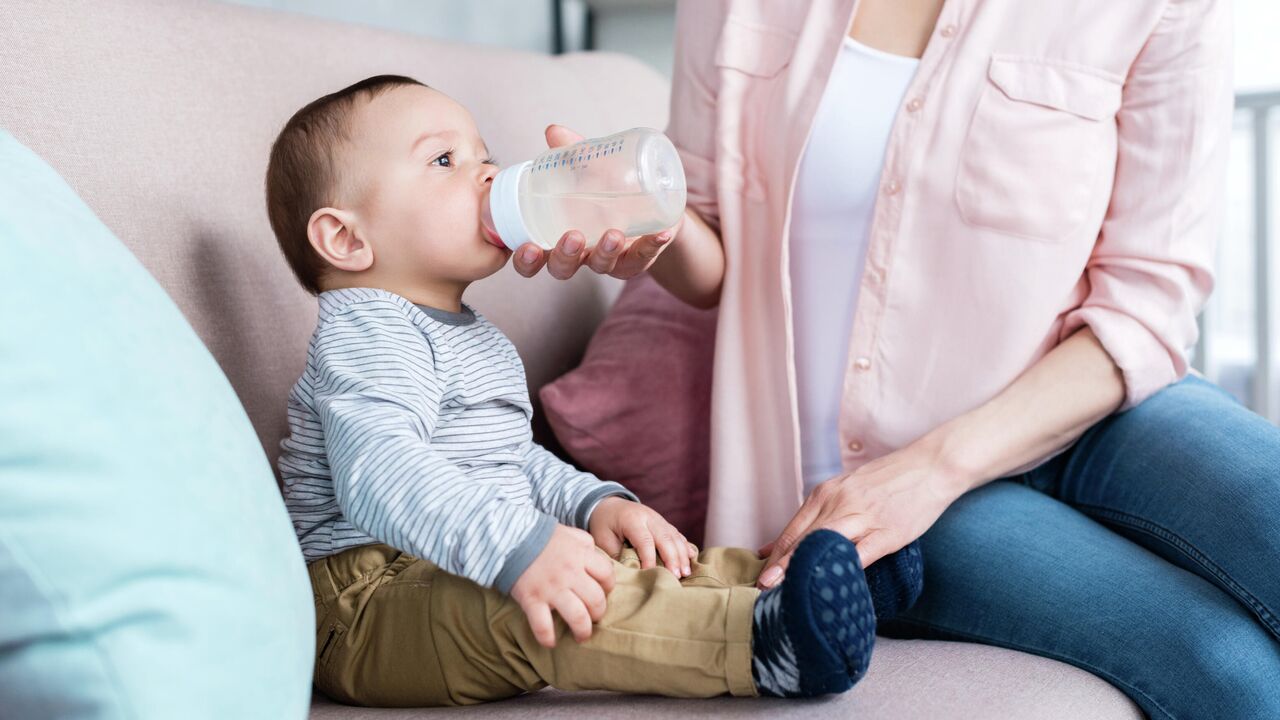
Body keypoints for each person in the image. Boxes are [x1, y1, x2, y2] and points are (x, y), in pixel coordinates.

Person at [512, 1, 1280, 717]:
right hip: (879, 488)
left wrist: (934, 469)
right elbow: (715, 253)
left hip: (1090, 405)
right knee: (1225, 664)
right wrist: (657, 228)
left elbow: (1149, 302)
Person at [264, 75, 922, 706]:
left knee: (639, 561)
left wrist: (592, 504)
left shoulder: (472, 336)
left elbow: (512, 463)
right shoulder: (368, 330)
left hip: (456, 565)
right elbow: (381, 475)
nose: (489, 173)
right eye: (443, 160)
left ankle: (799, 583)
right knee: (569, 599)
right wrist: (521, 549)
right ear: (345, 238)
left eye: (483, 154)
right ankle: (760, 641)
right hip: (370, 605)